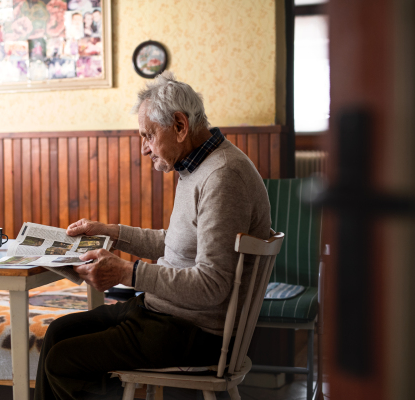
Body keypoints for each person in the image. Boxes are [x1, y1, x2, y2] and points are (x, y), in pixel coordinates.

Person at [34, 71, 271, 400]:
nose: (144, 149)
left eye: (148, 135)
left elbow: (214, 284)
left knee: (64, 360)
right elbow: (175, 243)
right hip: (165, 312)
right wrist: (110, 233)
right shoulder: (195, 166)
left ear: (179, 125)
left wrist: (125, 272)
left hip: (194, 331)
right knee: (58, 333)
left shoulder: (223, 177)